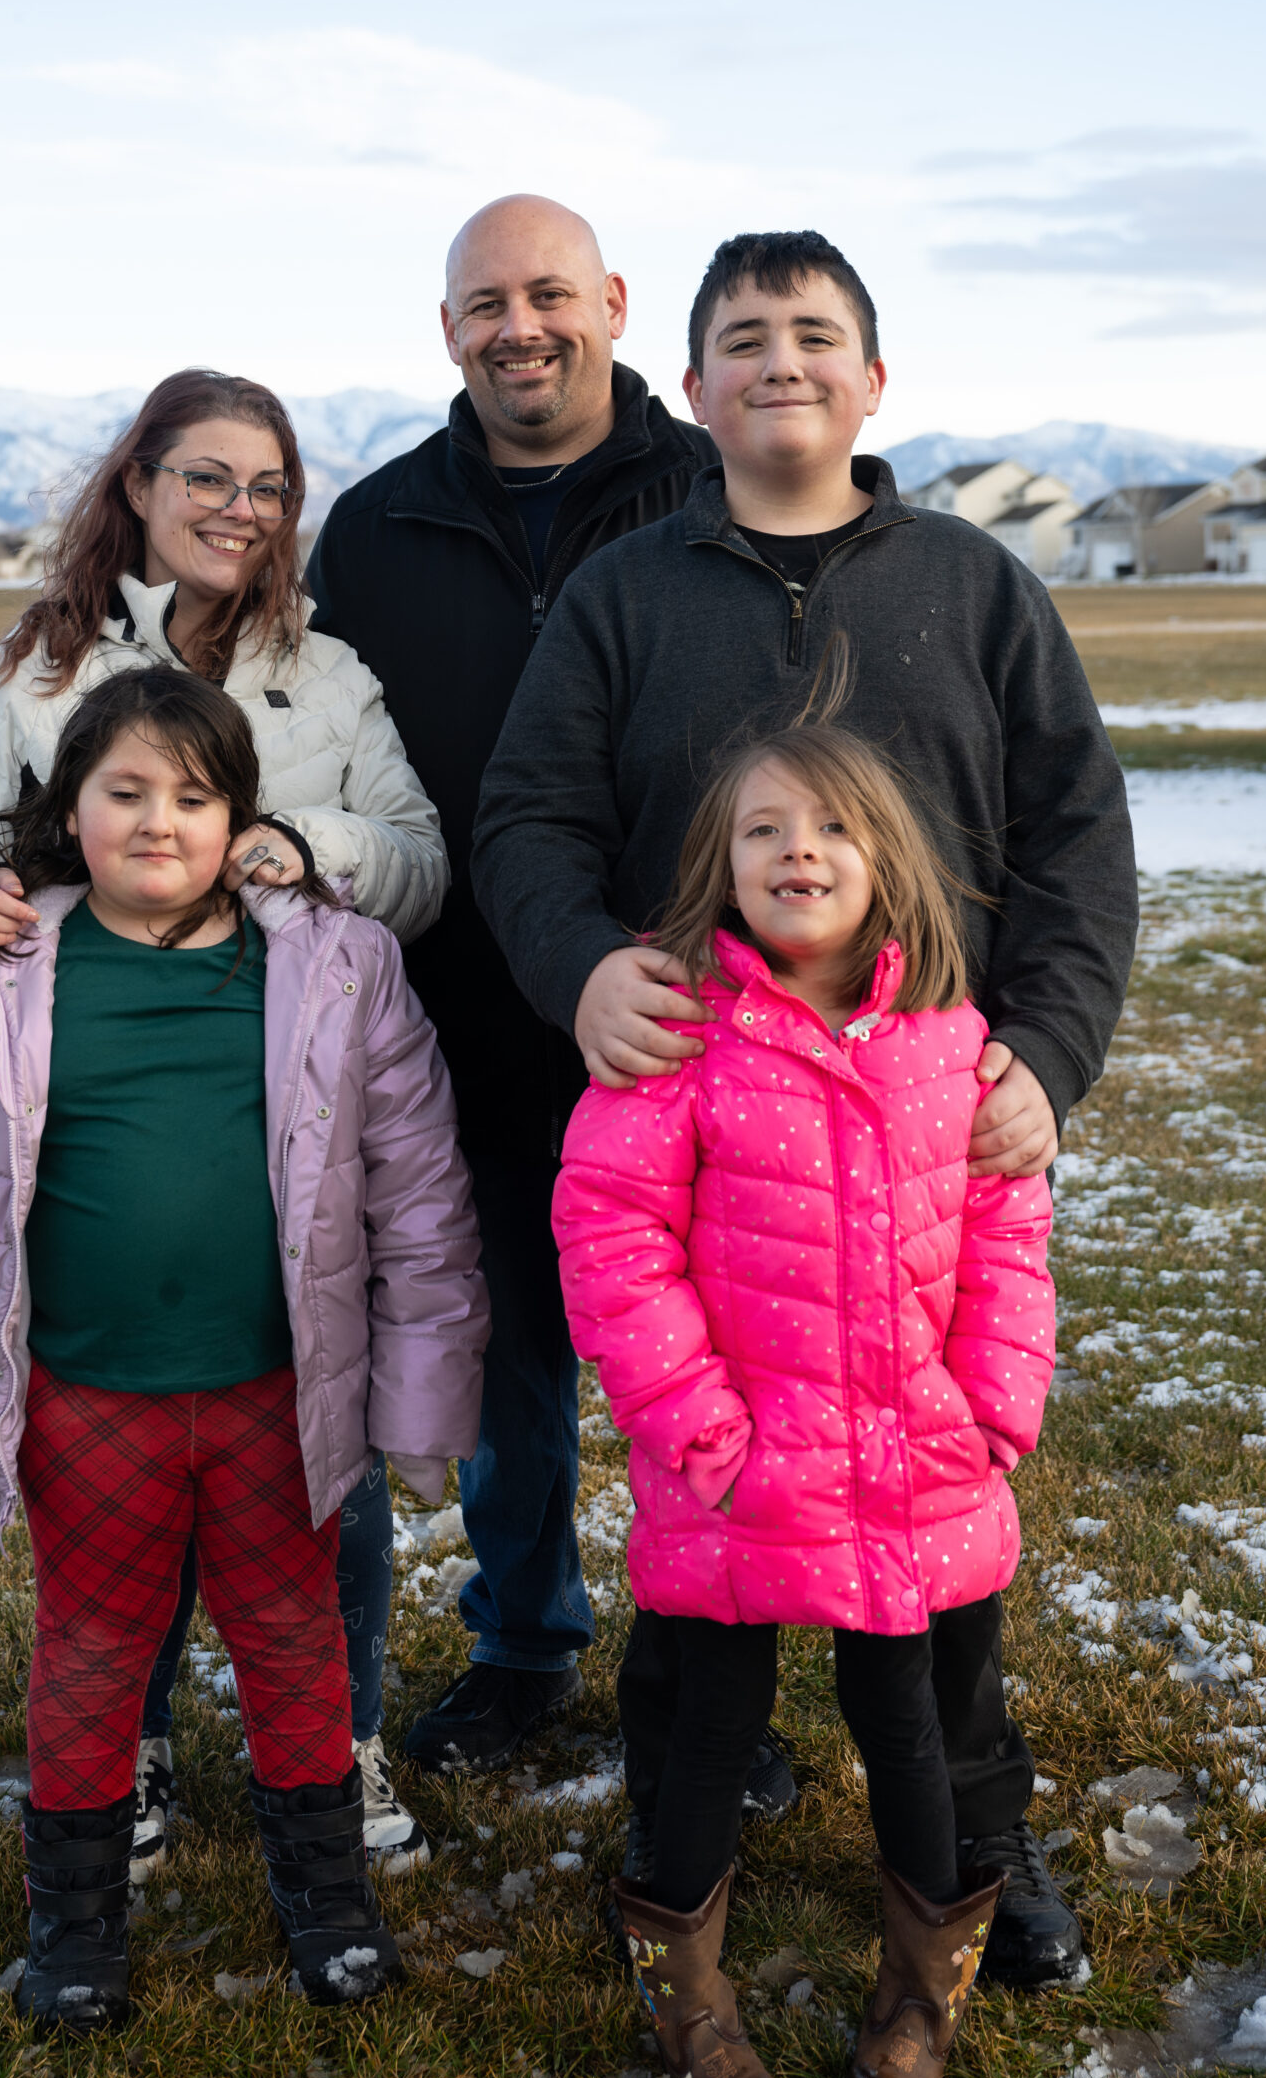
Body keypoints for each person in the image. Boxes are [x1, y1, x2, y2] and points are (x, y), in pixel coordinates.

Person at [471, 229, 1139, 1987]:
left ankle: (979, 1832)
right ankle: (687, 1811)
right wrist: (581, 969)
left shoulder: (975, 588)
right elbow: (528, 814)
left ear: (874, 379)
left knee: (936, 1528)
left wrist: (1048, 1052)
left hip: (925, 1132)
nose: (783, 358)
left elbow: (1078, 837)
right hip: (717, 1144)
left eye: (817, 332)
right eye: (747, 337)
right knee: (710, 1520)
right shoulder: (626, 596)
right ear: (690, 389)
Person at [0, 666, 487, 2032]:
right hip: (88, 1400)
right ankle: (74, 1923)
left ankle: (327, 1896)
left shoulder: (336, 967)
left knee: (295, 1638)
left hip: (275, 1397)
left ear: (241, 819)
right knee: (90, 1650)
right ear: (66, 810)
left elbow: (422, 1199)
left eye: (193, 797)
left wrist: (425, 1407)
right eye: (123, 792)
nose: (157, 822)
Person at [0, 367, 447, 1877]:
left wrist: (307, 843)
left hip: (281, 1105)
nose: (237, 510)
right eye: (205, 476)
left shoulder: (327, 677)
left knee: (315, 1452)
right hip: (99, 1089)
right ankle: (122, 1750)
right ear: (137, 484)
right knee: (114, 1486)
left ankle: (344, 1737)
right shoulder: (34, 674)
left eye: (267, 486)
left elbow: (417, 857)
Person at [306, 198, 809, 1801]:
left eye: (547, 294)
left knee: (717, 1365)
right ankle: (525, 1642)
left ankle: (722, 1681)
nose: (517, 327)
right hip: (459, 1014)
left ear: (612, 302)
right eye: (484, 303)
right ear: (447, 330)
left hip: (690, 1017)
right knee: (508, 1360)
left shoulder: (708, 487)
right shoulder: (378, 526)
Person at [554, 723, 1055, 2078]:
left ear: (887, 859)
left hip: (911, 1468)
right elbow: (612, 1237)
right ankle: (687, 1993)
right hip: (737, 1471)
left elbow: (1008, 1236)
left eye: (833, 828)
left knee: (908, 1721)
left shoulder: (951, 1046)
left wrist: (991, 1410)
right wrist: (704, 1435)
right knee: (710, 1725)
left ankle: (919, 1992)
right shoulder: (680, 1036)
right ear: (720, 865)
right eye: (765, 829)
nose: (800, 852)